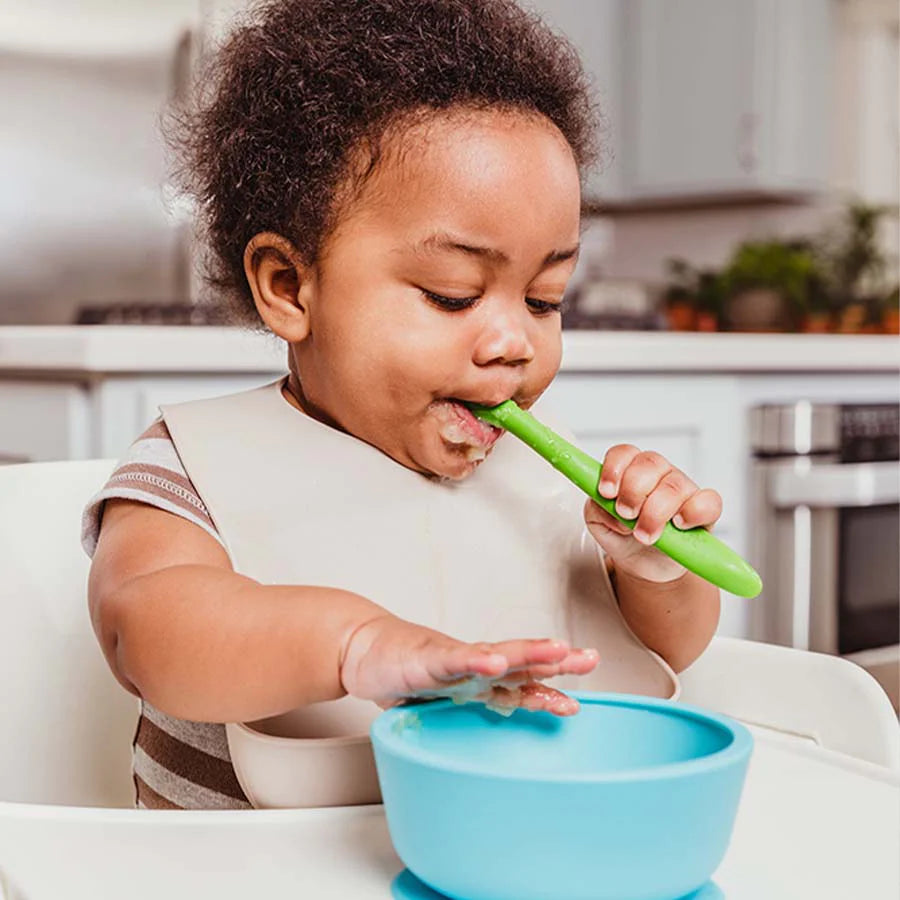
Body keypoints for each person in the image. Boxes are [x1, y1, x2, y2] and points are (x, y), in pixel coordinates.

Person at [83, 0, 722, 811]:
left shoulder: (543, 477)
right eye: (454, 296)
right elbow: (147, 630)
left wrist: (657, 570)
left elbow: (673, 648)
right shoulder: (189, 468)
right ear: (289, 287)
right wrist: (358, 645)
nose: (513, 341)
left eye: (545, 298)